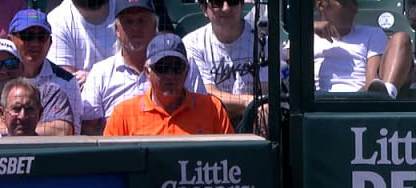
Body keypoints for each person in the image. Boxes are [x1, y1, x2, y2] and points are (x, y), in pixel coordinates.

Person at [80, 0, 206, 134]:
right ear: (117, 30)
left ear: (155, 25)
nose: (136, 28)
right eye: (128, 21)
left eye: (141, 20)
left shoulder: (182, 64)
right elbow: (89, 129)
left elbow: (202, 109)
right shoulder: (100, 72)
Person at [0, 10, 84, 135]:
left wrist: (4, 130)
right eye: (27, 36)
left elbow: (66, 131)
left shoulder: (66, 82)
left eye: (41, 36)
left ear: (50, 42)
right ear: (10, 39)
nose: (35, 43)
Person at [104, 33, 234, 135]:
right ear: (147, 72)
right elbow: (110, 163)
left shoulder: (212, 109)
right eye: (162, 68)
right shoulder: (123, 114)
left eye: (177, 67)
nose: (170, 76)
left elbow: (231, 158)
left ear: (187, 71)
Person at [183, 0, 276, 129]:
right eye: (217, 2)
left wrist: (250, 106)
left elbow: (265, 94)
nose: (226, 8)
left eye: (232, 1)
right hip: (212, 121)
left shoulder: (262, 41)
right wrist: (248, 102)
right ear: (204, 8)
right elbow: (207, 95)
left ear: (242, 5)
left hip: (253, 120)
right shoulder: (192, 43)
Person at [0, 38, 75, 138]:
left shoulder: (49, 94)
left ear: (22, 68)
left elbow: (64, 131)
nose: (4, 71)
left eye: (10, 64)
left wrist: (4, 129)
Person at [313, 0, 416, 99]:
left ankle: (387, 98)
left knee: (401, 38)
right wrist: (310, 27)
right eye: (345, 3)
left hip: (361, 98)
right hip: (318, 100)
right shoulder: (307, 37)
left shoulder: (371, 34)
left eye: (354, 3)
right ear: (321, 5)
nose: (354, 9)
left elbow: (371, 81)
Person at [48, 0, 118, 87]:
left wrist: (93, 78)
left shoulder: (125, 8)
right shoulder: (58, 19)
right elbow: (66, 79)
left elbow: (137, 68)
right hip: (83, 97)